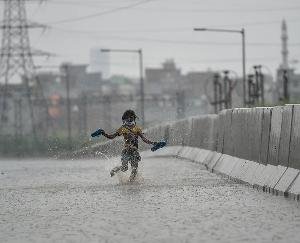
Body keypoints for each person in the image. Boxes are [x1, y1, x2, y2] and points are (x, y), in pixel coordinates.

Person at [100, 110, 157, 181]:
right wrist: (103, 133)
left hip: (135, 152)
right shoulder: (122, 128)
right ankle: (114, 170)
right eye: (127, 118)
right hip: (126, 151)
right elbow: (111, 137)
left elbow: (144, 139)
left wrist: (154, 143)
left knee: (134, 170)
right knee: (124, 168)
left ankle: (130, 184)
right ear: (124, 120)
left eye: (131, 118)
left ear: (133, 119)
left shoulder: (137, 128)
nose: (129, 120)